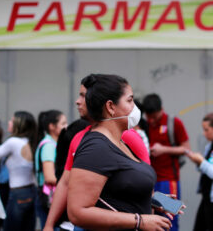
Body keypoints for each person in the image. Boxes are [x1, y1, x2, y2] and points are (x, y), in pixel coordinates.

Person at [67, 74, 172, 230]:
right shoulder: (96, 148)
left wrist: (153, 199)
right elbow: (77, 212)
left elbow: (118, 189)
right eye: (129, 100)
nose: (134, 107)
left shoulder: (118, 142)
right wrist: (139, 221)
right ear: (110, 107)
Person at [44, 78, 151, 231]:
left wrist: (148, 215)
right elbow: (65, 183)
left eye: (83, 96)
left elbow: (143, 182)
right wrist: (49, 225)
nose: (78, 101)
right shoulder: (79, 137)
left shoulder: (128, 137)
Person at [142, 93, 190, 231]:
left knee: (170, 218)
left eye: (155, 117)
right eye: (149, 117)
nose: (152, 120)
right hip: (150, 180)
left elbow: (186, 149)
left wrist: (164, 149)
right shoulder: (146, 125)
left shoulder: (174, 123)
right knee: (152, 218)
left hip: (168, 181)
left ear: (161, 109)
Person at [0, 111, 37, 231]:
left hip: (18, 192)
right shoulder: (29, 141)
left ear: (19, 125)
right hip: (31, 190)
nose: (9, 122)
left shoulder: (13, 142)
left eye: (12, 121)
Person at [34, 110, 68, 229]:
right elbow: (49, 177)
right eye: (63, 123)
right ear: (52, 127)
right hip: (47, 197)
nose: (66, 127)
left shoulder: (52, 143)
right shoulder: (49, 146)